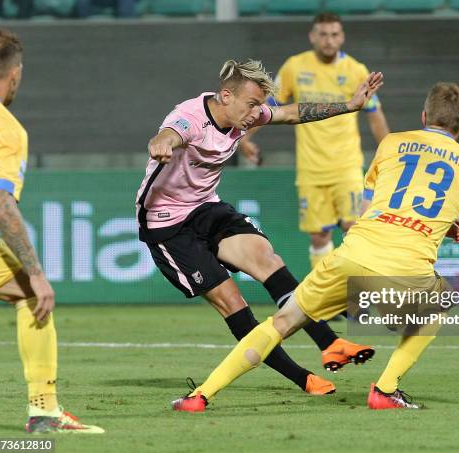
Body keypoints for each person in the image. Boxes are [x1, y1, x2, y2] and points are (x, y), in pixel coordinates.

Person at [173, 82, 459, 412]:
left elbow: (370, 211)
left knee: (281, 322)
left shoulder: (392, 144)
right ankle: (385, 390)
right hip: (404, 267)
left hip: (353, 253)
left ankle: (201, 395)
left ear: (424, 116)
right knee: (437, 305)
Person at [136, 60, 383, 402]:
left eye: (259, 106)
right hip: (167, 224)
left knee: (267, 259)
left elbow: (291, 113)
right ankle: (302, 377)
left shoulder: (245, 115)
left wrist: (350, 106)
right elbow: (168, 133)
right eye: (252, 104)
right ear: (225, 96)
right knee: (231, 301)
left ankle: (330, 343)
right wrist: (160, 143)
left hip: (206, 207)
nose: (257, 113)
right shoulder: (190, 117)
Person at [0, 29, 103, 433]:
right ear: (14, 74)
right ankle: (44, 411)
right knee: (31, 293)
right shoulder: (5, 127)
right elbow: (2, 207)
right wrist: (36, 272)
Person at [241, 12, 390, 271]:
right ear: (312, 36)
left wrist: (390, 153)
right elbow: (269, 107)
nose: (329, 40)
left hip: (347, 167)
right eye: (323, 34)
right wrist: (244, 138)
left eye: (334, 35)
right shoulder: (295, 67)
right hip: (311, 170)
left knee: (354, 231)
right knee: (319, 236)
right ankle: (325, 303)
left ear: (341, 37)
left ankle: (353, 301)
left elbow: (374, 115)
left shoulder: (355, 70)